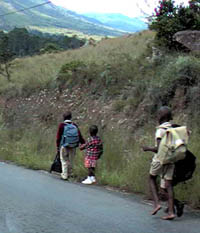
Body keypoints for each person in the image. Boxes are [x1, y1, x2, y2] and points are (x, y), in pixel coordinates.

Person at [142, 106, 176, 220]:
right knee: (168, 185)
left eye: (158, 114)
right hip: (171, 159)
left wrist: (147, 148)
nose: (157, 116)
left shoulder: (160, 130)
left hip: (160, 159)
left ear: (161, 116)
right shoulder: (173, 128)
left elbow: (158, 149)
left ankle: (157, 204)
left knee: (151, 178)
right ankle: (171, 212)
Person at [56, 111, 85, 180]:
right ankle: (70, 173)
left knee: (64, 160)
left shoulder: (62, 125)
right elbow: (79, 135)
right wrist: (83, 143)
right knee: (71, 160)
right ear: (71, 117)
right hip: (73, 145)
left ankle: (64, 175)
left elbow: (58, 137)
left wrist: (58, 146)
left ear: (63, 118)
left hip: (64, 145)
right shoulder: (74, 125)